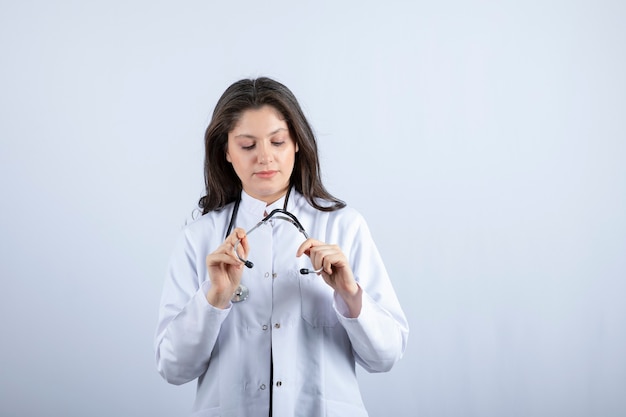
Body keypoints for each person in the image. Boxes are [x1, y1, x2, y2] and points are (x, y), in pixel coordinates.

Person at [154, 77, 409, 417]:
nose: (265, 157)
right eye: (247, 145)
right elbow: (173, 368)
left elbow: (385, 357)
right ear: (226, 152)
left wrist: (350, 294)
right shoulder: (200, 238)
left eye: (278, 141)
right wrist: (213, 298)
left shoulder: (343, 226)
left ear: (297, 144)